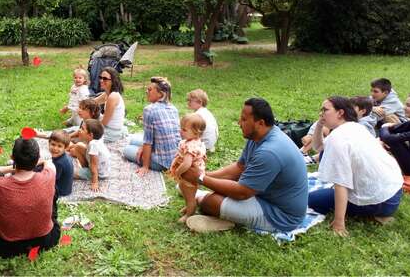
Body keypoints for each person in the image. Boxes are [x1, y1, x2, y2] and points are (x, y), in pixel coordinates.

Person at [182, 98, 308, 233]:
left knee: (209, 203)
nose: (239, 123)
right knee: (214, 194)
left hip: (280, 216)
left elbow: (242, 193)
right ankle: (203, 197)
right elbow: (240, 167)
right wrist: (205, 175)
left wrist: (200, 178)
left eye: (243, 119)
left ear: (260, 123)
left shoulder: (269, 152)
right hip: (263, 196)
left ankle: (205, 201)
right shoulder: (258, 136)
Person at [308, 96, 403, 237]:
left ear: (340, 113)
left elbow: (341, 183)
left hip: (381, 201)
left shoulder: (339, 139)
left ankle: (372, 214)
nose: (321, 113)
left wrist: (339, 223)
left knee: (312, 199)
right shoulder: (355, 127)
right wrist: (320, 125)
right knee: (324, 157)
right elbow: (319, 147)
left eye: (325, 110)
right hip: (394, 191)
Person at [0, 137, 60, 259]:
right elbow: (48, 163)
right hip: (45, 240)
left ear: (12, 158)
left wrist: (13, 168)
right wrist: (35, 164)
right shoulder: (49, 175)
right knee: (53, 188)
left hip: (7, 247)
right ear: (37, 158)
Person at [123, 76, 181, 176]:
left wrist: (145, 166)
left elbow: (148, 141)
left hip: (162, 162)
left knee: (127, 150)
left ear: (161, 94)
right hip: (175, 156)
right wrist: (142, 147)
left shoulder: (149, 110)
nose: (146, 91)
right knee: (133, 140)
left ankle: (149, 161)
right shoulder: (173, 108)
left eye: (150, 89)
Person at [170, 113, 207, 224]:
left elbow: (187, 163)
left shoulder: (191, 146)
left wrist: (177, 172)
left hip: (190, 176)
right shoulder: (191, 141)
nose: (181, 131)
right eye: (181, 128)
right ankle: (188, 206)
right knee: (184, 190)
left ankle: (189, 213)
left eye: (184, 130)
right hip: (188, 175)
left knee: (190, 195)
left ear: (196, 132)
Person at [69, 119, 111, 192]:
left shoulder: (93, 145)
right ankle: (84, 168)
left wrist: (95, 182)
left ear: (90, 135)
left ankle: (85, 172)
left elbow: (94, 166)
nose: (79, 130)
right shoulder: (95, 140)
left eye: (82, 129)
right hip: (97, 166)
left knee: (69, 172)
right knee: (78, 146)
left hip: (98, 174)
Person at [93, 67, 127, 143]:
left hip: (111, 132)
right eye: (100, 77)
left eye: (105, 79)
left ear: (113, 81)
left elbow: (104, 122)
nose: (101, 80)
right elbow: (93, 102)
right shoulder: (107, 94)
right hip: (108, 128)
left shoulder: (113, 96)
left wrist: (91, 129)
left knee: (83, 136)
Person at [48, 130, 74, 197]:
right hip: (66, 188)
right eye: (53, 144)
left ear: (65, 148)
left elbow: (52, 178)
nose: (55, 148)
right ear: (49, 143)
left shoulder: (59, 163)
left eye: (59, 146)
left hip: (60, 191)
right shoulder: (64, 156)